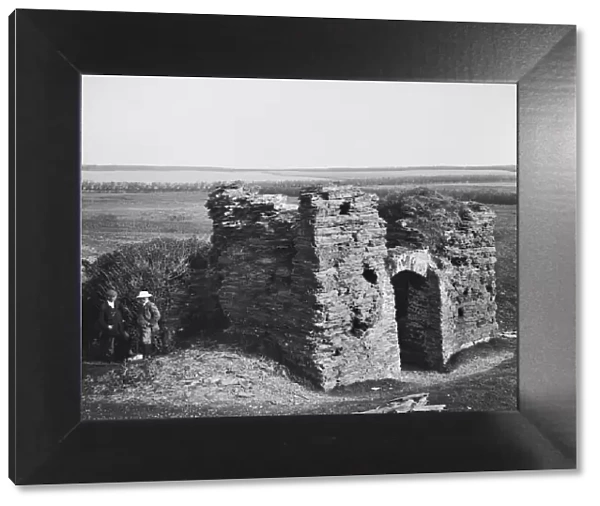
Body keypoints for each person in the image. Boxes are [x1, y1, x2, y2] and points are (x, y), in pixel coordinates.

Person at [97, 289, 130, 362]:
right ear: (108, 297)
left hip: (119, 327)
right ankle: (110, 359)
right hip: (110, 328)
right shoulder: (104, 306)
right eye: (112, 297)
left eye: (115, 297)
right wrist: (107, 326)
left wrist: (123, 320)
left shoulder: (118, 303)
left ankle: (122, 357)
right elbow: (101, 320)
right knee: (110, 344)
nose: (114, 298)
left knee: (124, 340)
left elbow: (124, 312)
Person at [136, 290, 161, 359]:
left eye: (143, 298)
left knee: (146, 340)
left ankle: (148, 355)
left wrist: (151, 323)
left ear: (146, 298)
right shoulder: (141, 306)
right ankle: (146, 355)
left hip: (148, 326)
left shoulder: (150, 305)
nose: (141, 300)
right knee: (144, 340)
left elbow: (157, 315)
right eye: (141, 299)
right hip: (143, 326)